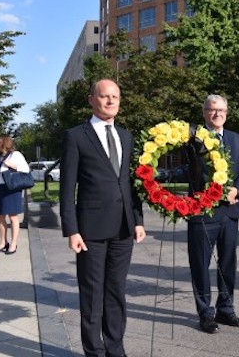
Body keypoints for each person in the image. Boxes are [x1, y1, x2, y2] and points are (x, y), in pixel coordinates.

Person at [60, 78, 145, 357]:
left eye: (115, 97)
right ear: (91, 99)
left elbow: (129, 182)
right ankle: (94, 351)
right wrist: (72, 230)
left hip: (123, 228)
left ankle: (115, 348)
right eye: (105, 96)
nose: (111, 101)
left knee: (116, 292)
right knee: (92, 294)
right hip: (90, 231)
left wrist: (138, 219)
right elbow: (67, 187)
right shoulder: (76, 136)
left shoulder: (126, 136)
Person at [185, 94, 239, 334]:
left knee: (227, 264)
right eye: (212, 110)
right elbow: (187, 170)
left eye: (221, 110)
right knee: (200, 264)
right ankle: (205, 313)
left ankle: (226, 309)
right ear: (204, 113)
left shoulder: (237, 139)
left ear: (227, 112)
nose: (217, 114)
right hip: (202, 212)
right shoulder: (193, 139)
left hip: (230, 211)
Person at [0, 134, 30, 254]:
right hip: (0, 188)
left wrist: (9, 164)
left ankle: (13, 243)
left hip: (12, 188)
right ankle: (3, 242)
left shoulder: (16, 154)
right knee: (0, 216)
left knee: (13, 217)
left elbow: (25, 169)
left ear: (4, 142)